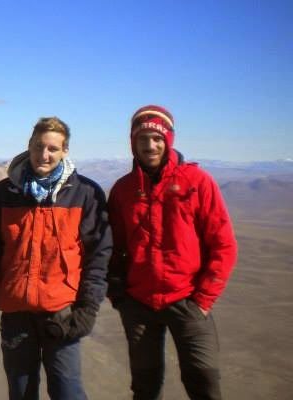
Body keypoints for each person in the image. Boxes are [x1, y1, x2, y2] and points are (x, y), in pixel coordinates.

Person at [107, 105, 237, 400]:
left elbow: (223, 244)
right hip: (138, 302)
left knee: (203, 380)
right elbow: (111, 245)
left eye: (157, 138)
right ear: (133, 142)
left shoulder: (197, 182)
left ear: (169, 141)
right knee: (145, 385)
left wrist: (203, 299)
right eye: (142, 138)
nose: (150, 145)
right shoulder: (123, 190)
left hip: (188, 299)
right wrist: (117, 292)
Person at [0, 117, 112, 400]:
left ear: (65, 151)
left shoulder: (85, 194)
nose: (44, 154)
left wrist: (87, 311)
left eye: (53, 148)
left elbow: (98, 257)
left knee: (67, 391)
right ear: (29, 146)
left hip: (63, 312)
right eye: (39, 146)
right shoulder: (3, 194)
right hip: (15, 312)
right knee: (21, 391)